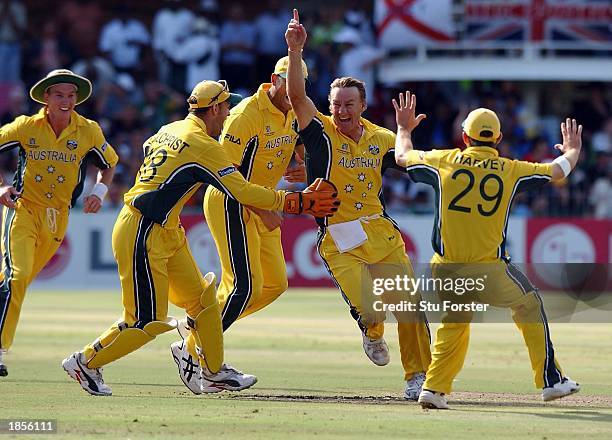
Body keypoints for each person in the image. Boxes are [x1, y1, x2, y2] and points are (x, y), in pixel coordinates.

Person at [62, 79, 339, 396]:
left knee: (204, 303)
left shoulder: (169, 128)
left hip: (165, 228)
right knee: (146, 321)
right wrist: (294, 202)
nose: (228, 116)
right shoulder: (204, 145)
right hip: (143, 229)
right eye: (226, 109)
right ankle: (85, 361)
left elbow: (148, 149)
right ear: (216, 108)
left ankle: (214, 372)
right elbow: (241, 190)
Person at [392, 91, 582, 409]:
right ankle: (551, 381)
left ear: (464, 136)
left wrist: (404, 129)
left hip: (446, 266)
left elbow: (402, 157)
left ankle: (434, 389)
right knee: (529, 302)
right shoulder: (510, 169)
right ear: (498, 138)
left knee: (454, 324)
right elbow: (558, 170)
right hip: (490, 269)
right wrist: (574, 149)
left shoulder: (443, 161)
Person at [285, 10, 431, 401]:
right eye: (335, 104)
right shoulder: (318, 133)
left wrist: (403, 131)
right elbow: (297, 96)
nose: (341, 110)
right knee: (372, 311)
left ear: (363, 105)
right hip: (337, 237)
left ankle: (417, 376)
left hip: (380, 232)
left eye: (349, 103)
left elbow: (406, 161)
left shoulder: (382, 137)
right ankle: (371, 330)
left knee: (410, 307)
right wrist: (295, 50)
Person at [182, 56, 309, 392]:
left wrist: (303, 162)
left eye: (300, 83)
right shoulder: (245, 114)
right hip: (231, 200)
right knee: (245, 285)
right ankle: (202, 360)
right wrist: (264, 207)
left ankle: (196, 332)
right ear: (274, 79)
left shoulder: (296, 109)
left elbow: (306, 143)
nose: (294, 90)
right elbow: (224, 172)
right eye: (288, 81)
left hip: (261, 201)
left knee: (275, 284)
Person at [0, 69, 118, 377]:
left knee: (16, 282)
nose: (66, 102)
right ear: (46, 99)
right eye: (59, 95)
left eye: (71, 96)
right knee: (16, 277)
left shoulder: (88, 130)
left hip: (58, 217)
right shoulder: (27, 127)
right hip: (23, 209)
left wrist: (99, 191)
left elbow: (110, 163)